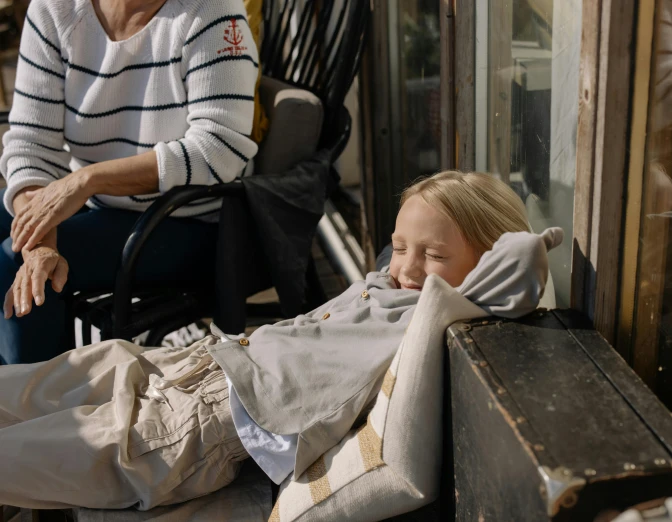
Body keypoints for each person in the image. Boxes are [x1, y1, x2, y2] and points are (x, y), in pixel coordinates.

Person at [0, 171, 563, 510]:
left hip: (196, 429)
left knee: (24, 454)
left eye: (434, 255)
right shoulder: (387, 285)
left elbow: (516, 267)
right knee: (32, 384)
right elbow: (400, 257)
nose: (406, 267)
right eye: (399, 245)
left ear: (483, 263)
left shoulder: (436, 309)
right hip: (193, 364)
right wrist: (418, 246)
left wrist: (535, 239)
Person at [0, 0, 264, 363]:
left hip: (186, 220)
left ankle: (40, 411)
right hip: (95, 207)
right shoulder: (53, 10)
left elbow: (218, 151)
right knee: (30, 257)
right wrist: (40, 242)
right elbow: (31, 144)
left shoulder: (211, 11)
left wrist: (87, 181)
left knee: (12, 261)